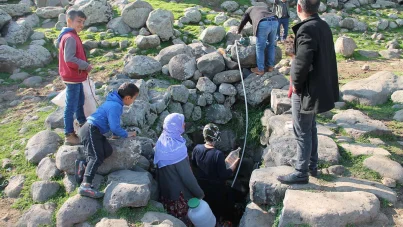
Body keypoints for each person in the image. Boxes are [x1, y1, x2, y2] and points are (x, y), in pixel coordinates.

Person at [277, 0, 339, 184]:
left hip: (306, 90)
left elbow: (302, 61)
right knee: (310, 127)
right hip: (317, 87)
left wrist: (295, 83)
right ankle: (312, 166)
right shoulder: (323, 25)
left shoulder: (307, 29)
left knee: (301, 130)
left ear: (298, 8)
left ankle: (301, 172)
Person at [77, 82, 139, 198]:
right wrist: (126, 134)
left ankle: (83, 165)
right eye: (134, 98)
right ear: (127, 98)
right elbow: (114, 126)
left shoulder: (115, 102)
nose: (133, 101)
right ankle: (85, 185)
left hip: (95, 131)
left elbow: (113, 124)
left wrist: (116, 135)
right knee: (95, 157)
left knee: (107, 150)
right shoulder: (115, 106)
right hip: (91, 129)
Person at [154, 113, 204, 226]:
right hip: (179, 195)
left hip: (167, 192)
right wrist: (200, 193)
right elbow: (187, 177)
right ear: (174, 126)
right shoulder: (176, 151)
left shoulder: (163, 141)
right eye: (182, 123)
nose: (184, 124)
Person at [191, 124, 240, 225]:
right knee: (220, 205)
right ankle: (222, 220)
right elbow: (224, 175)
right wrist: (233, 167)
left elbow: (194, 164)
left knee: (208, 205)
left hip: (201, 187)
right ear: (216, 138)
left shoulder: (197, 148)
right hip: (216, 189)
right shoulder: (218, 154)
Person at [57, 10, 92, 146]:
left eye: (83, 22)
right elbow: (70, 59)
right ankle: (69, 135)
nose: (81, 24)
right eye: (79, 21)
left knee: (79, 101)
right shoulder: (70, 37)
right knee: (71, 106)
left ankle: (83, 125)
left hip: (75, 77)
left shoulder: (71, 35)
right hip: (72, 77)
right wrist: (85, 65)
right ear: (69, 21)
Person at [238, 6, 279, 75]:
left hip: (263, 23)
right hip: (275, 21)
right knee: (271, 45)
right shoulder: (263, 8)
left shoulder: (249, 10)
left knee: (260, 47)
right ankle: (270, 66)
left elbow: (243, 21)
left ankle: (260, 69)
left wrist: (239, 30)